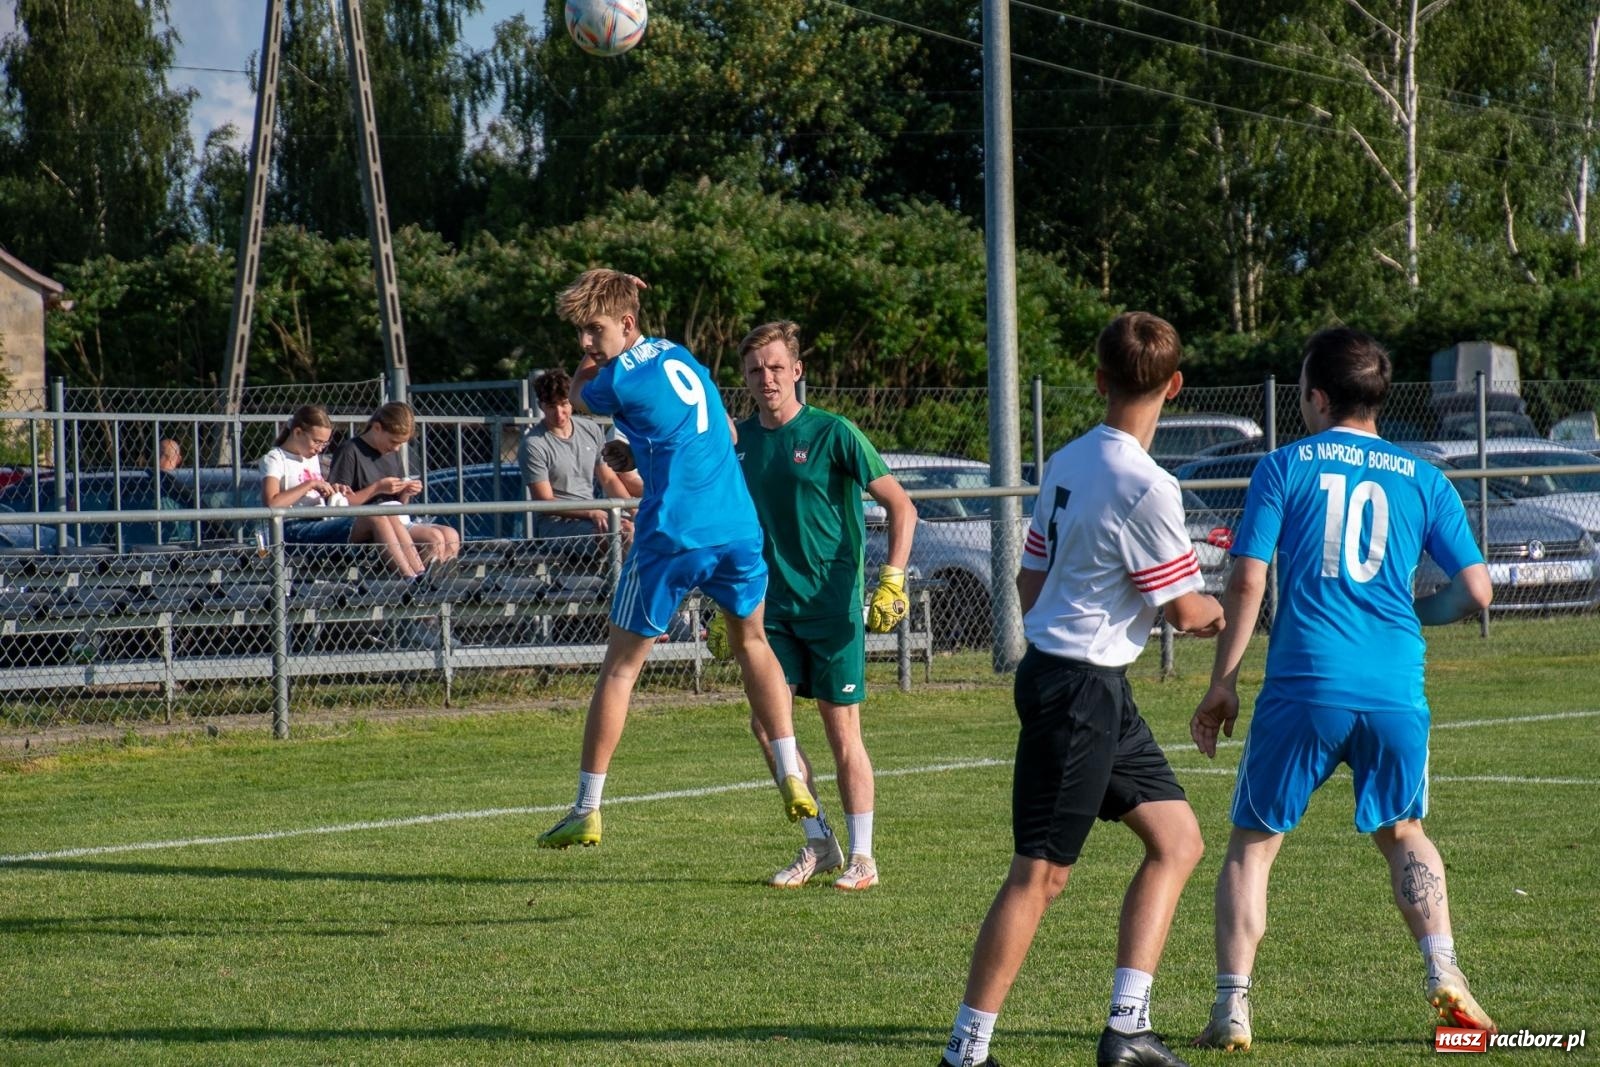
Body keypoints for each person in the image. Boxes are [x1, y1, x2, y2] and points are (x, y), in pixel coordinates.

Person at [1189, 328, 1497, 1052]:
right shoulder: (1425, 477)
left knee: (1253, 845)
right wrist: (1416, 612)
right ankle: (1443, 968)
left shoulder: (1283, 466)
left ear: (1318, 396)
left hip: (1306, 683)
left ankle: (1232, 1007)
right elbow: (1477, 589)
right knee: (1404, 833)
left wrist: (1223, 681)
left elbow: (1246, 576)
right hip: (1394, 684)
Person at [941, 312, 1224, 1067]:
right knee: (1040, 874)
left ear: (1098, 380)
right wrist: (1221, 595)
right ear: (1174, 386)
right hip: (1080, 691)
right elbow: (1188, 612)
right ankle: (966, 1053)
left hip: (1079, 679)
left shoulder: (1068, 458)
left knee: (1178, 839)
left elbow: (1029, 581)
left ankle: (1127, 1028)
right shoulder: (1148, 485)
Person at [535, 268, 818, 850]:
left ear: (628, 324)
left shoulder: (614, 381)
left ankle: (587, 806)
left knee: (620, 667)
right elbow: (706, 435)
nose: (587, 344)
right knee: (753, 644)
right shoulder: (681, 355)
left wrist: (595, 352)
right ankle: (791, 772)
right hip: (737, 526)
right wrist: (638, 446)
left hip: (673, 531)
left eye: (593, 330)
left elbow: (583, 389)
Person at [729, 319, 917, 892]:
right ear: (745, 376)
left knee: (842, 735)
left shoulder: (834, 432)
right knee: (768, 727)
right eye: (757, 370)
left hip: (834, 610)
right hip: (768, 613)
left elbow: (901, 507)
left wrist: (892, 580)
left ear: (797, 371)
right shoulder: (738, 440)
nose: (768, 379)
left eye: (777, 367)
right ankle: (820, 842)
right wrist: (725, 602)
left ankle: (864, 857)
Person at [260, 404, 425, 578]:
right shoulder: (274, 458)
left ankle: (420, 573)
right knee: (376, 516)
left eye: (324, 443)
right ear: (298, 432)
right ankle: (410, 578)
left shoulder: (311, 457)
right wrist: (309, 485)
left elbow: (316, 493)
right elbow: (272, 502)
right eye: (316, 441)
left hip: (320, 521)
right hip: (292, 528)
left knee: (387, 514)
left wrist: (334, 491)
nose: (320, 448)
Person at [327, 401, 461, 566]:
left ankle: (441, 581)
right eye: (393, 441)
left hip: (397, 519)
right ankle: (423, 583)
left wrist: (406, 491)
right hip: (370, 525)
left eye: (400, 444)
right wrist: (377, 488)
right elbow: (339, 503)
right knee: (434, 538)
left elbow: (399, 505)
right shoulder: (350, 450)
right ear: (377, 428)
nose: (396, 448)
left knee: (451, 534)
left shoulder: (391, 452)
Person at [519, 368, 636, 553]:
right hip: (557, 526)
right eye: (551, 406)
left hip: (594, 516)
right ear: (541, 406)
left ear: (572, 401)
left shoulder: (591, 429)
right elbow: (545, 501)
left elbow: (608, 479)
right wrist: (591, 512)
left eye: (564, 404)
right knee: (622, 532)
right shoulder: (533, 444)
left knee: (642, 528)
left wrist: (634, 510)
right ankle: (624, 581)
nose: (559, 413)